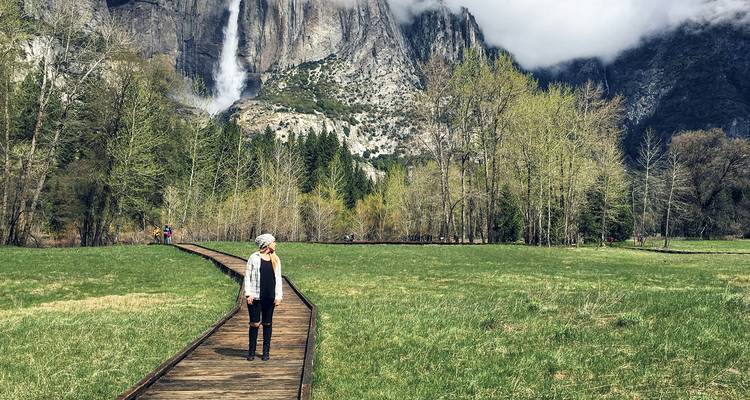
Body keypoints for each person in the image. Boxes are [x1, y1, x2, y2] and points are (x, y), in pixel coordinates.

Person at [244, 233, 283, 361]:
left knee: (267, 323)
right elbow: (247, 276)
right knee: (254, 323)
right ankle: (251, 351)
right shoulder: (254, 257)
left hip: (269, 296)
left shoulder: (275, 259)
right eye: (274, 241)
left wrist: (278, 296)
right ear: (266, 244)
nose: (275, 244)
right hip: (255, 296)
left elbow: (278, 279)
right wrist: (248, 293)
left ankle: (266, 351)